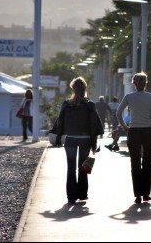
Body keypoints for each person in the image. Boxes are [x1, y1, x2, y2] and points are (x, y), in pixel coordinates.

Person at [116, 72, 151, 204]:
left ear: (134, 84)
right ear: (146, 84)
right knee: (147, 163)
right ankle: (146, 194)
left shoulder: (129, 97)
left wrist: (124, 126)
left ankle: (137, 195)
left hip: (134, 132)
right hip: (149, 132)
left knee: (135, 163)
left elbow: (118, 112)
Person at [54, 76, 100, 204]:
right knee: (82, 167)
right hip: (85, 139)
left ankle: (71, 196)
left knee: (71, 168)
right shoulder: (90, 105)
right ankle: (82, 194)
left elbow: (60, 122)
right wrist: (94, 144)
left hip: (70, 140)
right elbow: (93, 125)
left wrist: (58, 138)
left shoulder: (66, 104)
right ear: (85, 88)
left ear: (73, 89)